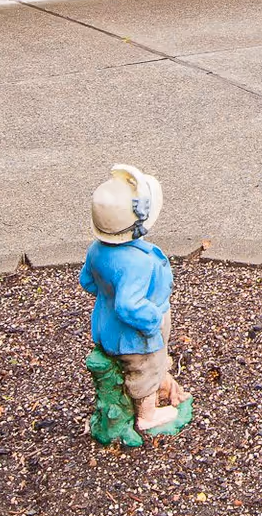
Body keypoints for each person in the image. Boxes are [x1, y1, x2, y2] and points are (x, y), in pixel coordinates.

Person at [80, 164, 190, 434]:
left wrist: (108, 292)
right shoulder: (135, 263)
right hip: (135, 335)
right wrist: (152, 319)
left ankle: (162, 385)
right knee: (146, 368)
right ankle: (147, 414)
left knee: (154, 362)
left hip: (106, 325)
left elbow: (87, 281)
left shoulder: (97, 250)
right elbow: (129, 306)